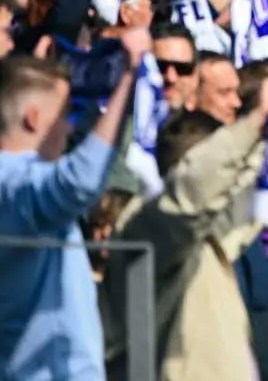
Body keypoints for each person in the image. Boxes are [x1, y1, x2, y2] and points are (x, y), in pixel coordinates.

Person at [0, 30, 150, 380]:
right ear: (34, 119)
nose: (69, 128)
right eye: (66, 114)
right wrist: (129, 77)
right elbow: (79, 182)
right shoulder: (12, 182)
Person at [104, 78, 268, 381]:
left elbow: (257, 185)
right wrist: (254, 121)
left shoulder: (206, 231)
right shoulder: (147, 227)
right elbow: (193, 190)